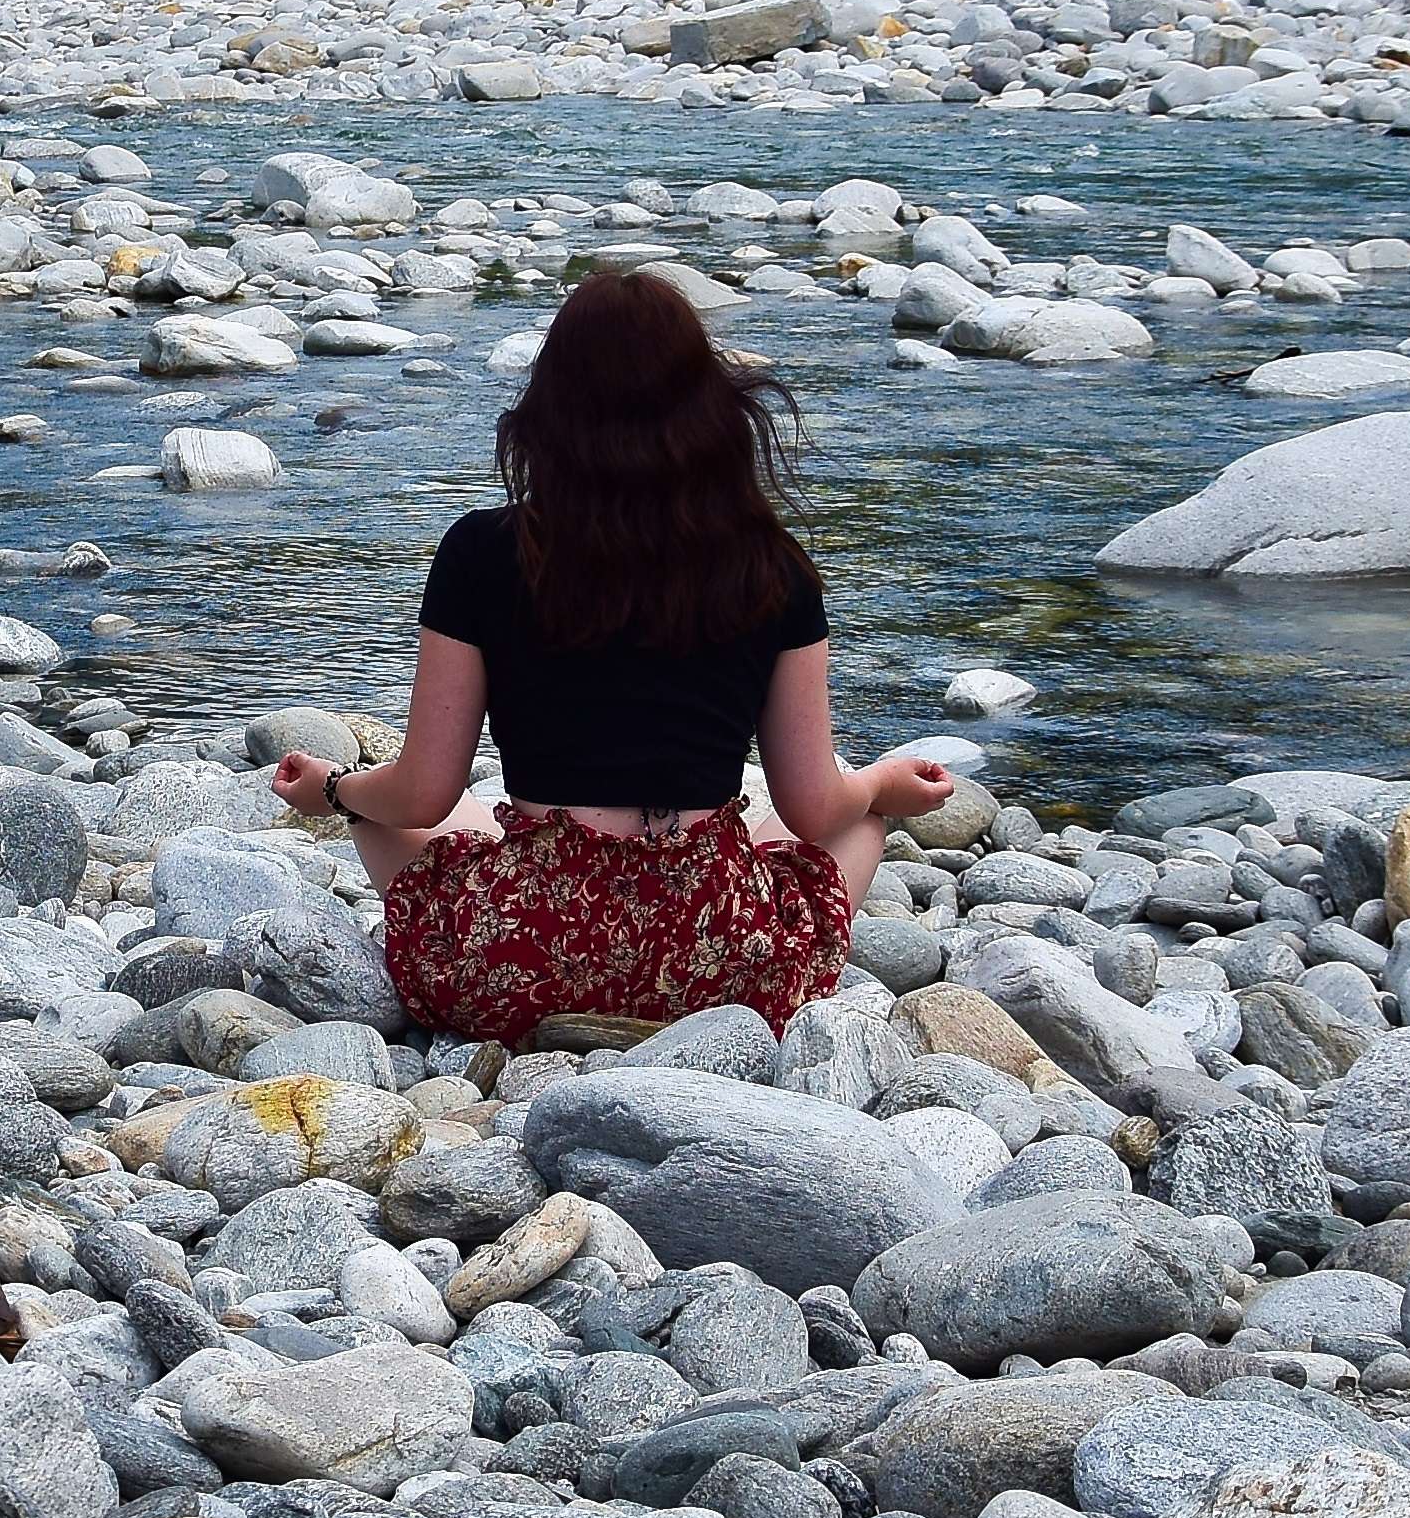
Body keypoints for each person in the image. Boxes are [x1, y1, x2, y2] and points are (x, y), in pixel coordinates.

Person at [273, 266, 956, 1045]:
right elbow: (814, 810)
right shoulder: (772, 567)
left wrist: (334, 790)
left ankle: (566, 1010)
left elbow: (424, 794)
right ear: (708, 411)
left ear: (551, 411)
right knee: (851, 822)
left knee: (400, 811)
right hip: (724, 968)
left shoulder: (482, 552)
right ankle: (678, 1007)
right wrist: (879, 788)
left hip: (520, 958)